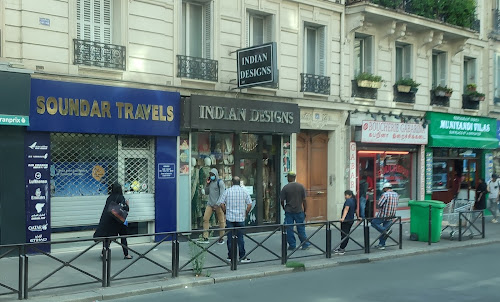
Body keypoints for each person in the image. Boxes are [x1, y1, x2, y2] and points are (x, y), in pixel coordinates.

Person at [217, 176, 252, 263]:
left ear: (232, 183)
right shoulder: (244, 191)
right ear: (239, 182)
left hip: (230, 218)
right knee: (240, 238)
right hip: (240, 218)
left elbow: (221, 203)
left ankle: (231, 256)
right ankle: (242, 256)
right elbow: (249, 204)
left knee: (230, 238)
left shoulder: (227, 191)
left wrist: (225, 211)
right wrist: (246, 213)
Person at [94, 182, 132, 259]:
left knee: (108, 238)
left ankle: (104, 253)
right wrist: (127, 204)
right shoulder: (121, 198)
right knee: (123, 237)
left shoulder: (109, 198)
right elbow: (125, 210)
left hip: (109, 222)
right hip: (118, 222)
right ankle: (126, 254)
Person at [280, 171, 311, 250]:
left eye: (287, 177)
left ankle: (292, 245)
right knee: (301, 228)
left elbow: (282, 201)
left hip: (289, 211)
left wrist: (284, 208)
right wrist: (305, 211)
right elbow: (304, 200)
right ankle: (305, 244)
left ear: (290, 178)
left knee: (289, 229)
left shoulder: (285, 188)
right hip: (299, 210)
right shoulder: (301, 187)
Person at [199, 168, 226, 244]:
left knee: (221, 221)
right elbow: (207, 192)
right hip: (210, 204)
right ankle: (205, 237)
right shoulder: (210, 182)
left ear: (216, 174)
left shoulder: (220, 182)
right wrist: (207, 184)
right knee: (205, 219)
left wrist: (217, 204)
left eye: (212, 175)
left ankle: (221, 237)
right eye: (210, 175)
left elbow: (222, 194)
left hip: (218, 205)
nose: (211, 176)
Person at [371, 182, 398, 250]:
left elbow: (379, 204)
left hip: (383, 215)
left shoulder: (385, 194)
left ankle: (385, 231)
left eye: (383, 189)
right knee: (384, 231)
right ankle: (382, 244)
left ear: (385, 188)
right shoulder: (396, 194)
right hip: (391, 215)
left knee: (374, 223)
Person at [334, 190, 359, 255]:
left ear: (349, 195)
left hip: (346, 220)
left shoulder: (348, 201)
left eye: (346, 195)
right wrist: (358, 217)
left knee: (344, 235)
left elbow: (346, 209)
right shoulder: (354, 200)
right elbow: (356, 210)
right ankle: (342, 248)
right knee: (346, 234)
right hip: (351, 220)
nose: (345, 196)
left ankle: (342, 249)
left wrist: (343, 218)